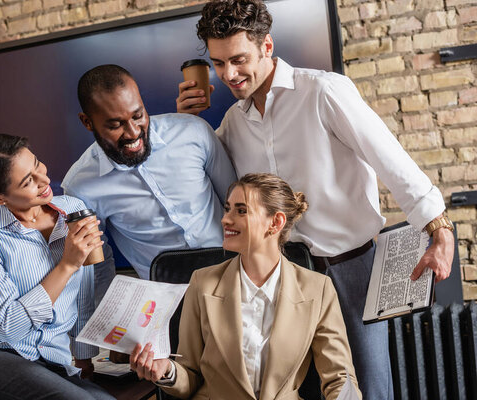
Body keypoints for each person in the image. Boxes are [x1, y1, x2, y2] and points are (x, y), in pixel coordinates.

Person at [175, 1, 455, 398]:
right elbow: (207, 184)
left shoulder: (324, 90)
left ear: (267, 46)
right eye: (219, 64)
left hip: (350, 270)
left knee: (368, 388)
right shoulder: (232, 124)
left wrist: (440, 231)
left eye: (238, 60)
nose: (229, 75)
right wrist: (186, 128)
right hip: (280, 275)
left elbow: (391, 160)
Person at [130, 173, 361, 399]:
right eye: (228, 208)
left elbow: (339, 377)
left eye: (241, 210)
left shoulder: (317, 289)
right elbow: (189, 375)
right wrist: (166, 371)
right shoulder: (202, 283)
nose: (226, 219)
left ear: (275, 222)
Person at [0, 134, 115, 400]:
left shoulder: (72, 210)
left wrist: (84, 359)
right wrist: (68, 264)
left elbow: (82, 296)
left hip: (52, 364)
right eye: (28, 182)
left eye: (37, 164)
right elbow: (7, 327)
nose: (45, 181)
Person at [62, 64, 237, 279]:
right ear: (87, 122)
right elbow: (96, 264)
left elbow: (235, 201)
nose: (133, 133)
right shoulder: (79, 187)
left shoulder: (193, 130)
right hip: (168, 294)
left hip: (233, 271)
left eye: (138, 116)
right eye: (116, 125)